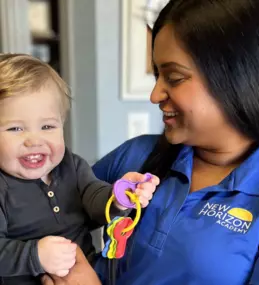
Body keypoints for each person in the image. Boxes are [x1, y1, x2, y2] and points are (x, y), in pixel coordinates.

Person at [91, 0, 259, 284]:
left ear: (238, 76)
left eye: (174, 77)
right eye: (158, 75)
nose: (155, 95)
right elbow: (43, 206)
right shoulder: (135, 155)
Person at [0, 53, 159, 285]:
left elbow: (92, 198)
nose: (34, 140)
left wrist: (117, 199)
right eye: (15, 128)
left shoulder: (71, 165)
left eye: (47, 126)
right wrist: (35, 256)